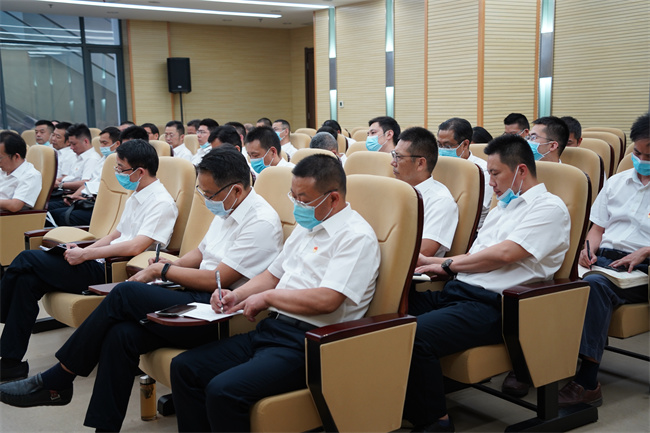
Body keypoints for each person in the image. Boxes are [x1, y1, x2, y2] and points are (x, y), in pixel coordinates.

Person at [0, 147, 284, 432]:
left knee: (125, 294)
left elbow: (216, 279)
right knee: (121, 335)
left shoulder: (259, 221)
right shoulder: (229, 206)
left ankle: (59, 379)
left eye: (209, 194)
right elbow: (201, 252)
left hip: (217, 312)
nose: (206, 199)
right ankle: (103, 427)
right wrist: (170, 265)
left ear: (236, 190)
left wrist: (162, 271)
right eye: (203, 192)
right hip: (193, 296)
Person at [169, 154, 380, 432]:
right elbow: (271, 276)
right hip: (273, 330)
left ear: (333, 199)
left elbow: (328, 299)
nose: (296, 205)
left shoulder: (355, 237)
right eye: (293, 196)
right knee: (184, 368)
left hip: (310, 343)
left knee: (223, 391)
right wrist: (236, 295)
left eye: (304, 200)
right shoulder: (307, 228)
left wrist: (268, 298)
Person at [406, 134, 571, 432]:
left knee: (415, 336)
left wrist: (447, 264)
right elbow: (475, 256)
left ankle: (436, 421)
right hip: (459, 292)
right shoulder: (502, 208)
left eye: (495, 174)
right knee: (391, 312)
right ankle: (401, 399)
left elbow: (505, 254)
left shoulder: (549, 208)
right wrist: (432, 263)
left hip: (495, 306)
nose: (490, 182)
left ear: (521, 170)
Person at [0, 139, 179, 382]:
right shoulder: (137, 195)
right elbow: (115, 235)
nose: (117, 173)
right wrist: (83, 249)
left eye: (121, 168)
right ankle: (11, 363)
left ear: (140, 171)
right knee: (26, 282)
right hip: (98, 260)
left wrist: (85, 255)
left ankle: (2, 309)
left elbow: (136, 246)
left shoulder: (161, 202)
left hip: (112, 270)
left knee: (26, 258)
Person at [559, 112, 650, 408]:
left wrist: (645, 251)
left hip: (640, 267)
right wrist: (588, 249)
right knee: (550, 279)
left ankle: (588, 382)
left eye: (648, 156)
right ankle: (534, 365)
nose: (641, 160)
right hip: (604, 260)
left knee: (595, 286)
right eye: (637, 153)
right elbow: (597, 228)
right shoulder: (617, 182)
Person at [391, 127, 458, 259]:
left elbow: (423, 252)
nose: (392, 162)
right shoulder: (393, 190)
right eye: (393, 155)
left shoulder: (440, 202)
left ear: (420, 163)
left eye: (398, 157)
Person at [49, 127, 121, 227]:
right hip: (84, 197)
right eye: (100, 143)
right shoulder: (103, 160)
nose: (101, 147)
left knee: (59, 215)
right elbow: (89, 183)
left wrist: (62, 185)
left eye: (105, 143)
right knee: (53, 213)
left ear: (117, 144)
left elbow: (102, 189)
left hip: (95, 202)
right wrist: (73, 196)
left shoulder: (115, 164)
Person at [437, 118, 493, 228]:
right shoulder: (437, 167)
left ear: (465, 144)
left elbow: (477, 210)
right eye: (439, 145)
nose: (442, 150)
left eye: (448, 146)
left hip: (470, 229)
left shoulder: (482, 172)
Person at [48, 124, 102, 216]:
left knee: (49, 211)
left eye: (74, 144)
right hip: (66, 193)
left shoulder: (92, 159)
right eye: (70, 144)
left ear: (85, 141)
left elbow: (85, 183)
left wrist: (60, 185)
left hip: (73, 194)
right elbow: (68, 176)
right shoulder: (77, 156)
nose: (71, 147)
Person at [0, 131, 42, 212]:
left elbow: (15, 205)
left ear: (16, 156)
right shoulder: (3, 169)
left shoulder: (30, 175)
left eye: (0, 158)